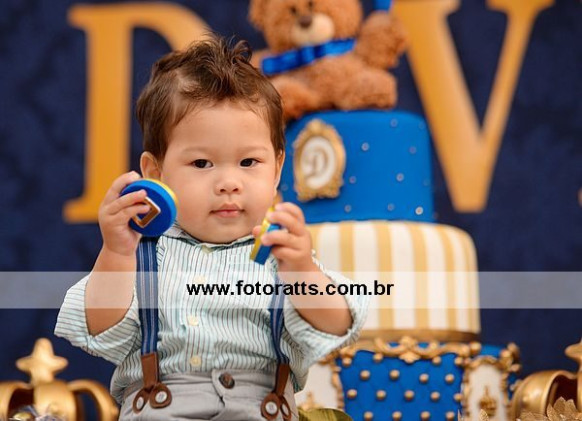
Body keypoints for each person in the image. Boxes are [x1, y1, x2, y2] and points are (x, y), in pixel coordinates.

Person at [55, 33, 368, 421]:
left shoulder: (281, 254)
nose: (228, 183)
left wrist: (302, 269)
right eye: (202, 164)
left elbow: (337, 326)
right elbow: (101, 329)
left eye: (249, 163)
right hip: (160, 407)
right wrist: (116, 252)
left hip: (260, 408)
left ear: (277, 170)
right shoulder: (143, 252)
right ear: (156, 173)